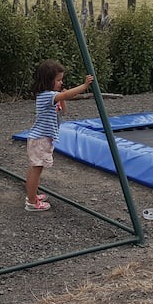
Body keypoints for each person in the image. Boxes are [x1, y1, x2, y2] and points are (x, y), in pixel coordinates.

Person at [24, 59, 94, 212]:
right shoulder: (45, 95)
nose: (61, 83)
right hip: (40, 140)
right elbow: (68, 95)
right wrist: (84, 86)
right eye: (58, 80)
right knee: (36, 169)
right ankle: (31, 202)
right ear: (48, 81)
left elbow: (63, 111)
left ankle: (32, 195)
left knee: (34, 168)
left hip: (41, 139)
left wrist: (62, 98)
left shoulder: (52, 96)